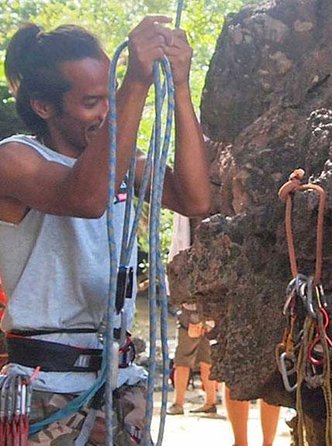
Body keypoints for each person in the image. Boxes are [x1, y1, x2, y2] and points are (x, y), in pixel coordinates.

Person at [0, 15, 211, 444]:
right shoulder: (14, 160)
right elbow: (84, 199)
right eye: (94, 101)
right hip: (47, 388)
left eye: (111, 96)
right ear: (44, 106)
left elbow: (195, 200)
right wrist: (133, 84)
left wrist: (182, 88)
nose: (109, 111)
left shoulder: (122, 165)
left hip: (117, 378)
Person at [167, 301, 220, 415]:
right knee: (207, 360)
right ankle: (211, 402)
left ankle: (178, 403)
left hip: (193, 313)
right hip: (210, 314)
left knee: (182, 361)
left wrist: (195, 318)